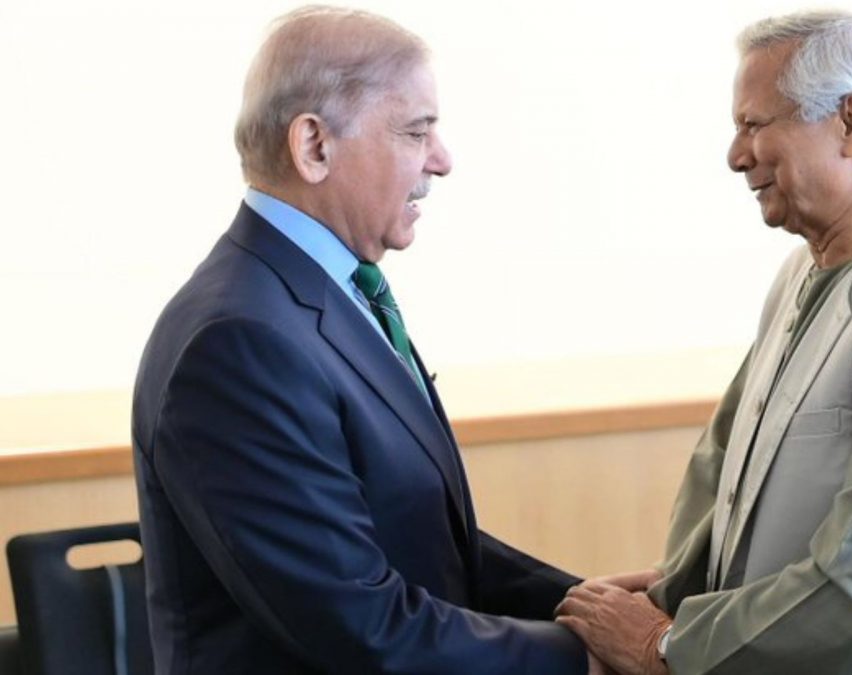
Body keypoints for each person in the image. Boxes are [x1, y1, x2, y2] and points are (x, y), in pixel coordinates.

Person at [556, 10, 852, 675]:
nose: (735, 155)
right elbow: (720, 477)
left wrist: (667, 644)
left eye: (755, 125)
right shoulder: (803, 271)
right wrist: (662, 605)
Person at [131, 6, 587, 673]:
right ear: (314, 146)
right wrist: (588, 655)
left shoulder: (321, 291)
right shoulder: (237, 343)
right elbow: (358, 625)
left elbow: (417, 534)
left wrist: (582, 602)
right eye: (415, 131)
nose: (443, 159)